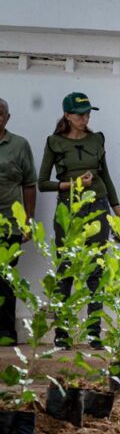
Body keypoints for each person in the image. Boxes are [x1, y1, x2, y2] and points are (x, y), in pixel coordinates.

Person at [38, 92, 120, 348]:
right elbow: (42, 184)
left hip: (98, 206)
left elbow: (106, 177)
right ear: (67, 115)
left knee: (96, 270)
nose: (84, 118)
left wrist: (118, 215)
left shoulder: (97, 139)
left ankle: (94, 334)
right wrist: (73, 184)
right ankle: (62, 335)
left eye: (87, 113)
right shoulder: (54, 142)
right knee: (66, 271)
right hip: (69, 209)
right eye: (79, 114)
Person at [0, 98, 38, 345]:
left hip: (9, 224)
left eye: (0, 113)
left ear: (7, 117)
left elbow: (29, 184)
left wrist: (28, 220)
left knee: (5, 281)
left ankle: (5, 333)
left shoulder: (20, 145)